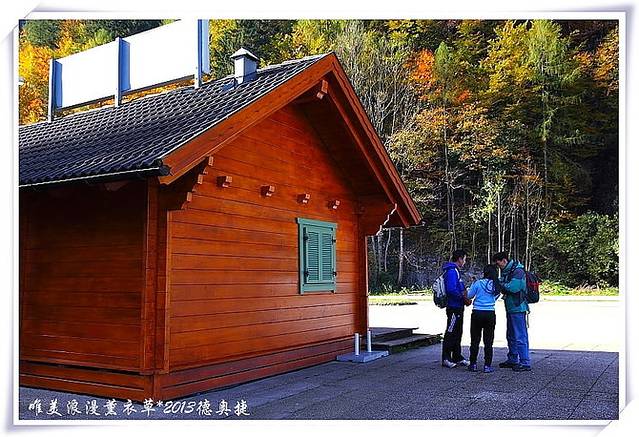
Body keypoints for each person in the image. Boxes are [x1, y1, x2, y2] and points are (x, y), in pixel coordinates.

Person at [492, 251, 531, 372]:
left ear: (504, 260)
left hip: (518, 307)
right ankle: (513, 359)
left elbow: (513, 288)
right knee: (511, 335)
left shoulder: (518, 271)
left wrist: (500, 284)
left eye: (499, 264)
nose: (498, 266)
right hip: (511, 307)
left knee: (520, 335)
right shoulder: (508, 271)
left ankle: (525, 362)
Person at [466, 264, 502, 373]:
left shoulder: (478, 283)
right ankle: (487, 365)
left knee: (475, 340)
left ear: (484, 273)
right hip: (490, 313)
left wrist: (471, 285)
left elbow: (469, 295)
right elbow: (496, 296)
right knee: (488, 341)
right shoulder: (496, 284)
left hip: (477, 312)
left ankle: (473, 364)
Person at [441, 249, 471, 368]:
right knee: (451, 331)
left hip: (458, 307)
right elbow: (451, 289)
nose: (465, 262)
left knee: (458, 332)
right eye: (464, 259)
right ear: (459, 259)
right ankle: (446, 358)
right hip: (453, 307)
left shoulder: (456, 271)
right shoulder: (452, 271)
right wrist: (463, 298)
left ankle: (457, 356)